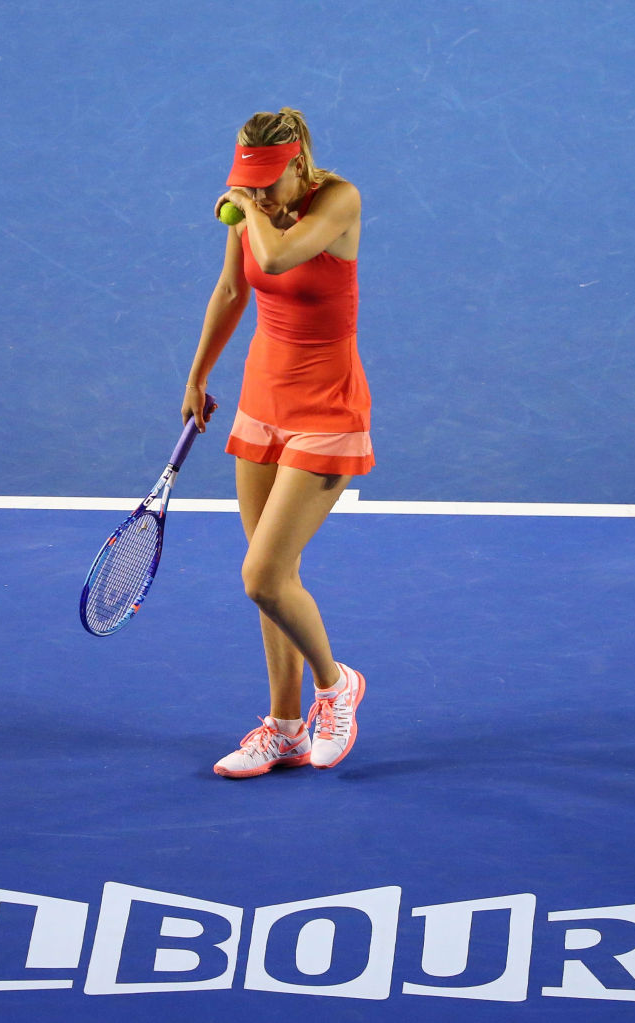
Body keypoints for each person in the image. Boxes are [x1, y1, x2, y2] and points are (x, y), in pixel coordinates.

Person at [181, 108, 372, 779]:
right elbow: (234, 287)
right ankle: (285, 729)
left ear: (299, 164)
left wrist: (244, 209)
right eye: (248, 181)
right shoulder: (255, 210)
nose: (259, 192)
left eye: (270, 181)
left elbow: (276, 256)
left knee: (261, 574)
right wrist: (198, 374)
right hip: (263, 402)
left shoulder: (339, 200)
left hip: (328, 408)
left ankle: (336, 686)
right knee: (273, 584)